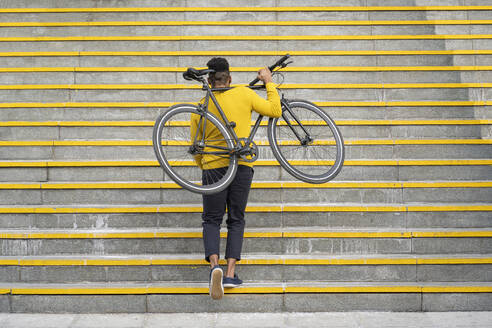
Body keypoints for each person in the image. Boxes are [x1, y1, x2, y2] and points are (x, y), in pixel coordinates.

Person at [190, 57, 281, 300]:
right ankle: (230, 273)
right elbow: (274, 110)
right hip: (240, 166)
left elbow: (195, 146)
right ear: (229, 78)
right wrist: (269, 82)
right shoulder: (243, 93)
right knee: (236, 218)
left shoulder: (201, 104)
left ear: (209, 80)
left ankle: (214, 268)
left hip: (213, 167)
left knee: (211, 219)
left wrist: (206, 165)